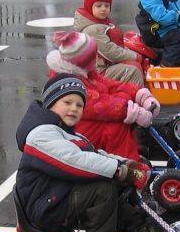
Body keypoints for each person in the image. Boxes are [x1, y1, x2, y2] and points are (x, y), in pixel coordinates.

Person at [15, 74, 151, 232]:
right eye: (67, 102)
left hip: (56, 199)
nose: (74, 109)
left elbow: (96, 154)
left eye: (79, 105)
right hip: (44, 210)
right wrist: (119, 170)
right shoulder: (40, 135)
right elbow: (76, 161)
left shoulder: (66, 132)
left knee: (117, 185)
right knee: (102, 188)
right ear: (51, 104)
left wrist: (128, 164)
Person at [45, 30, 160, 160]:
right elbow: (98, 105)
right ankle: (127, 165)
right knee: (115, 127)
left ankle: (130, 151)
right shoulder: (68, 84)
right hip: (73, 131)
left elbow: (109, 84)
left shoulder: (82, 71)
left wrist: (140, 94)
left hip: (80, 124)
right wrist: (132, 111)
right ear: (85, 61)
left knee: (123, 98)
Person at [73, 0, 146, 86]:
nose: (103, 9)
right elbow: (110, 51)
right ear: (89, 6)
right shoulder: (91, 30)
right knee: (132, 70)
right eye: (98, 5)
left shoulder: (103, 23)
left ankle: (135, 94)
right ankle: (137, 98)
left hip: (106, 67)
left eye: (107, 6)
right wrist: (135, 57)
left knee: (137, 63)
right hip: (95, 73)